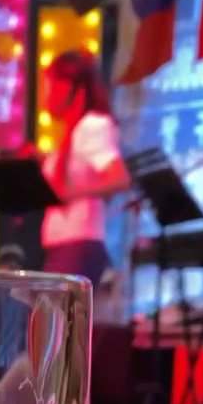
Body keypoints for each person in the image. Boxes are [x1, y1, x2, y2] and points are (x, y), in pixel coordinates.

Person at [40, 50, 130, 288]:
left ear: (72, 88)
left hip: (79, 243)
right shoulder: (70, 135)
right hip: (61, 244)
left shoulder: (92, 126)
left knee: (59, 321)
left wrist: (73, 193)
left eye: (51, 85)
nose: (45, 95)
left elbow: (120, 178)